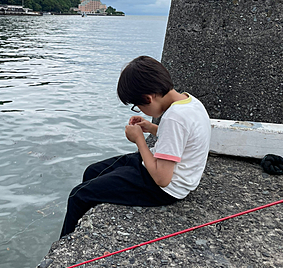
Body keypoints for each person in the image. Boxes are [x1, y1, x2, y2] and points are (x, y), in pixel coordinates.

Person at [60, 55, 211, 238]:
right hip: (165, 168)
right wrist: (151, 128)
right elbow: (181, 140)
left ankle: (67, 244)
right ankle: (84, 230)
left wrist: (139, 139)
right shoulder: (189, 102)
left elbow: (162, 178)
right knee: (92, 171)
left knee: (78, 196)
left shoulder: (175, 117)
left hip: (165, 188)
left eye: (137, 106)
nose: (139, 110)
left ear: (148, 98)